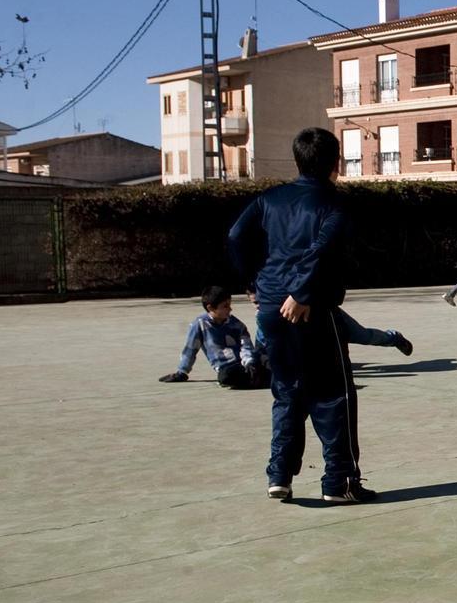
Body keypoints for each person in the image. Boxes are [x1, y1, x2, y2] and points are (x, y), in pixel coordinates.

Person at [228, 127, 376, 504]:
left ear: (297, 160)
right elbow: (322, 250)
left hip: (270, 308)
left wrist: (255, 283)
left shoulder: (269, 199)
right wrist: (301, 292)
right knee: (333, 396)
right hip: (310, 308)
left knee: (287, 391)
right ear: (335, 163)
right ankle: (338, 483)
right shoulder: (334, 203)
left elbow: (235, 236)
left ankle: (279, 475)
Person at [247, 288, 413, 368]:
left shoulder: (289, 296)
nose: (259, 306)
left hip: (326, 316)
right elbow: (262, 345)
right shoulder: (265, 316)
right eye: (255, 303)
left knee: (364, 336)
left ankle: (393, 337)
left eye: (260, 301)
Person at [159, 285, 266, 389]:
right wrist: (182, 372)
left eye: (229, 304)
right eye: (225, 306)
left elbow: (246, 346)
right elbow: (190, 349)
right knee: (226, 376)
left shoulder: (237, 325)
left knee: (268, 364)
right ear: (210, 308)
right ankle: (257, 381)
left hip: (246, 365)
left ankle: (256, 379)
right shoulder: (200, 325)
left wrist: (250, 363)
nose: (230, 309)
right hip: (227, 368)